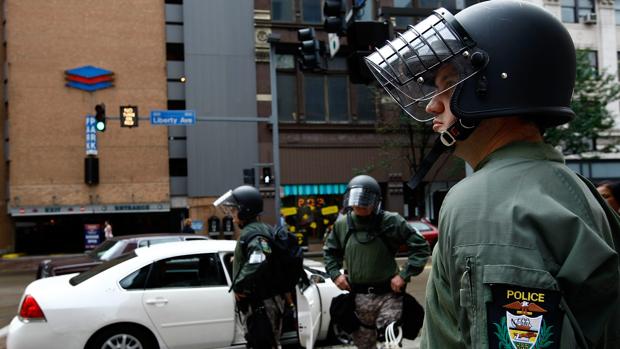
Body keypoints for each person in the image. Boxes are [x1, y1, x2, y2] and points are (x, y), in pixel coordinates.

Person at [365, 1, 620, 347]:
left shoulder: (489, 204)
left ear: (499, 84)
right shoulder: (573, 188)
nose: (431, 104)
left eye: (449, 83)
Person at [323, 175, 431, 349]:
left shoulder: (391, 221)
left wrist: (404, 275)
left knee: (390, 342)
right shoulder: (342, 225)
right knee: (364, 345)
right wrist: (336, 275)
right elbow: (330, 252)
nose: (359, 206)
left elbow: (420, 247)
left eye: (364, 202)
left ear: (376, 202)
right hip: (358, 298)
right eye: (355, 201)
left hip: (388, 295)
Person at [214, 185, 286, 348]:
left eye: (234, 212)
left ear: (246, 211)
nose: (232, 217)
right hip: (262, 302)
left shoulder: (255, 233)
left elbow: (259, 258)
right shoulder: (257, 230)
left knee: (265, 343)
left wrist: (238, 284)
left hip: (263, 303)